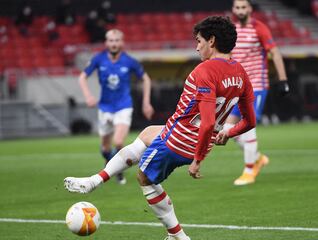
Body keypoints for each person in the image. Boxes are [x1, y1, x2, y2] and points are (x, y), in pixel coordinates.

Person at [65, 16, 256, 240]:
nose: (196, 47)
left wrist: (198, 160)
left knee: (144, 178)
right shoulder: (241, 73)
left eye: (199, 41)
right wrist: (227, 132)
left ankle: (178, 236)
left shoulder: (205, 71)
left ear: (211, 41)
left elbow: (206, 122)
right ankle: (93, 181)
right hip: (194, 136)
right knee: (147, 133)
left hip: (180, 139)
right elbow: (249, 121)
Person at [223, 0, 289, 186]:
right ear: (233, 10)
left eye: (244, 7)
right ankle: (258, 157)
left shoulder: (259, 28)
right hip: (237, 87)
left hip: (256, 87)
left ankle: (249, 170)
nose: (241, 10)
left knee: (248, 126)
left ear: (250, 9)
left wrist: (283, 80)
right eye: (238, 7)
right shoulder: (232, 29)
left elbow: (274, 53)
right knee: (227, 130)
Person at [79, 29, 154, 184]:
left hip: (123, 106)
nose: (114, 44)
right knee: (105, 148)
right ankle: (112, 166)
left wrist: (146, 102)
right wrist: (88, 96)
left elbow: (146, 79)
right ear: (107, 43)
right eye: (111, 41)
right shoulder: (98, 59)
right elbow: (82, 77)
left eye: (117, 40)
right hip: (105, 107)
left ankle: (115, 171)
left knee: (118, 142)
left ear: (122, 42)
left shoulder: (129, 61)